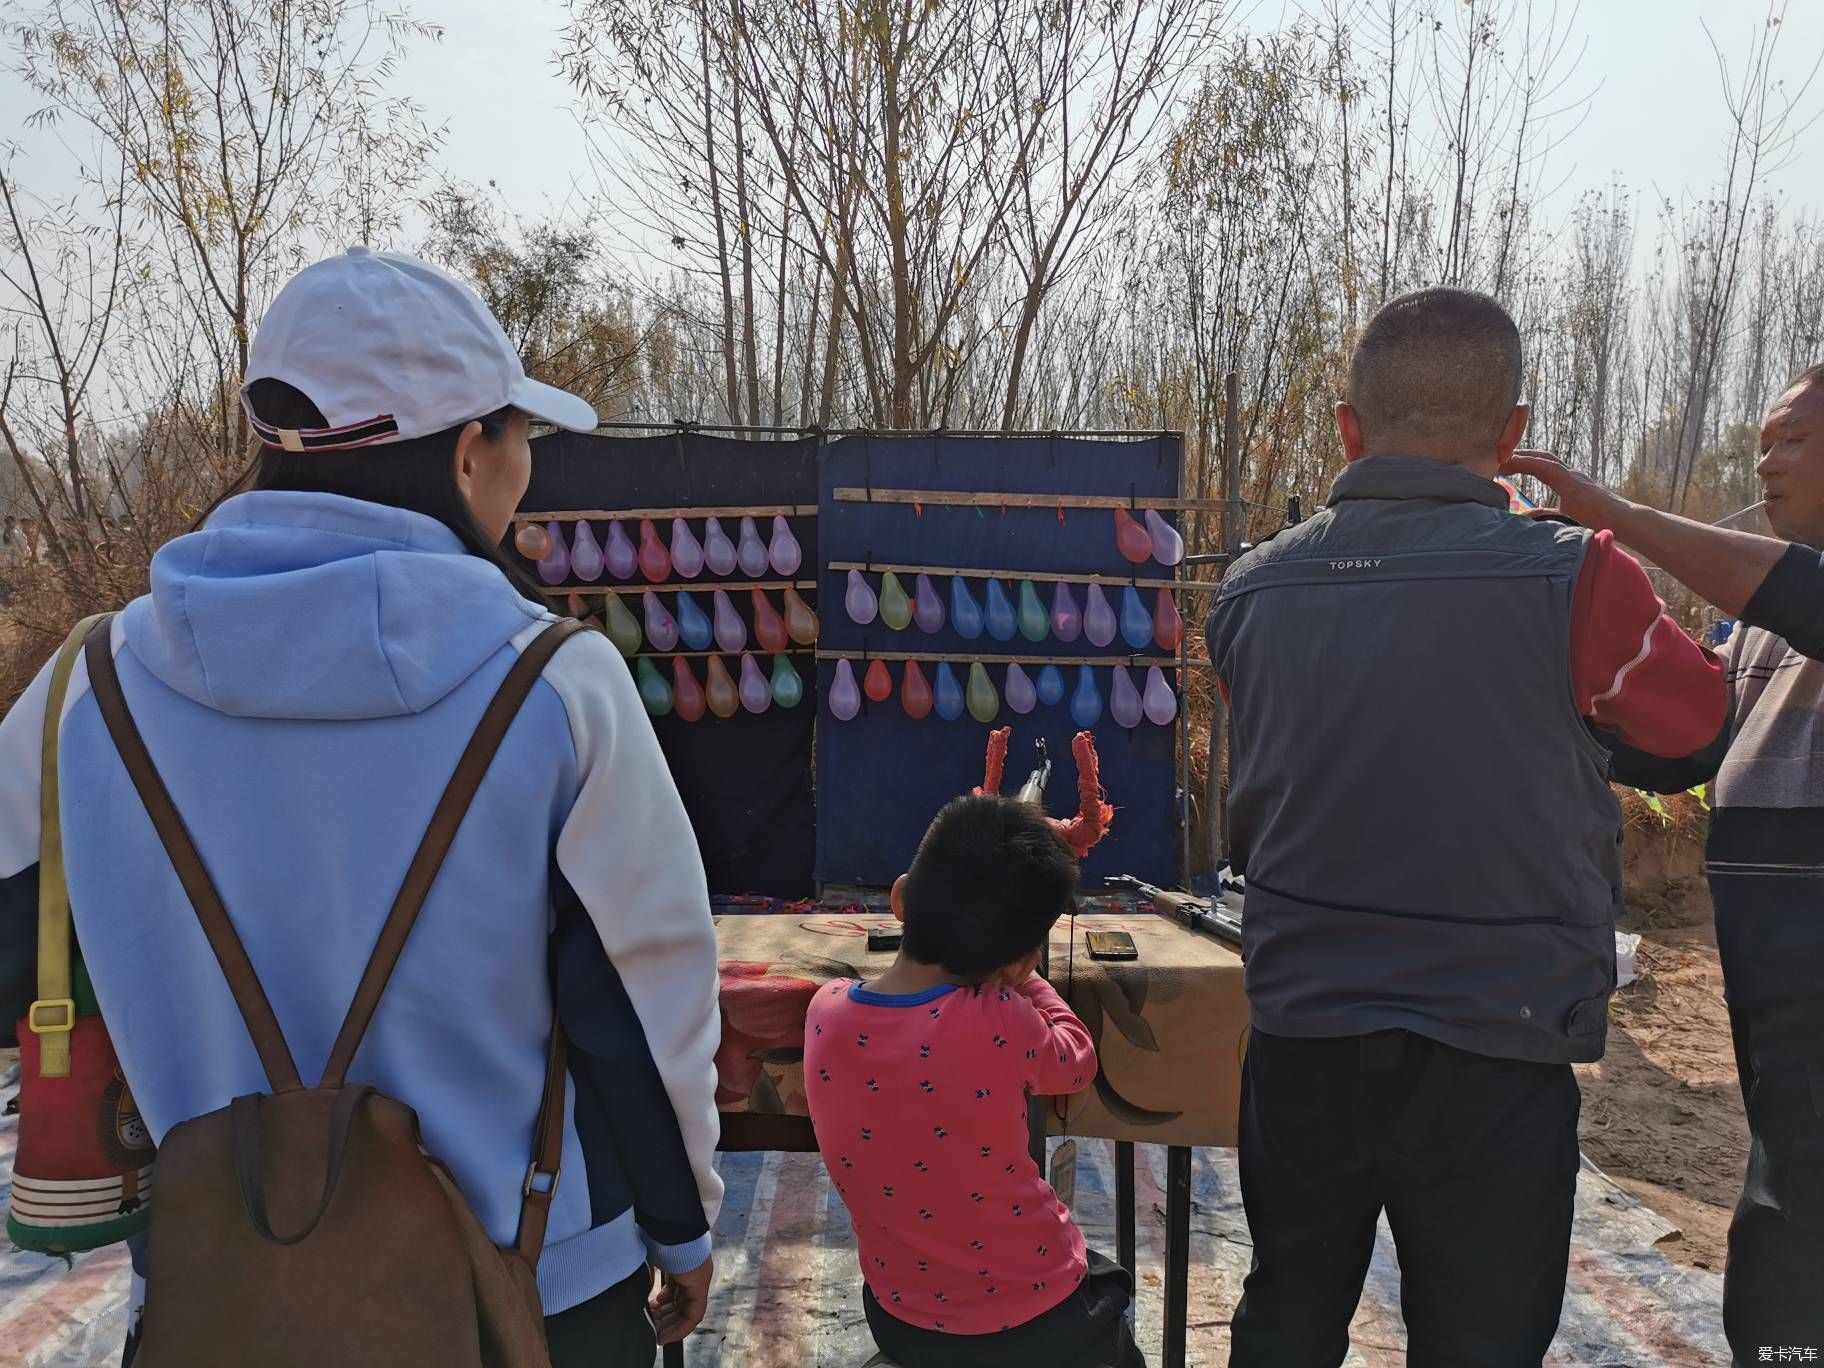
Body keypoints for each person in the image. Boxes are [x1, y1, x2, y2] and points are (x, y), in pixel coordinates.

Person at [0, 247, 721, 1366]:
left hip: (222, 1291)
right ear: (471, 453)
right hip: (528, 1290)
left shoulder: (82, 693)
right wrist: (681, 1232)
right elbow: (640, 1006)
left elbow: (13, 959)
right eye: (520, 434)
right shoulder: (554, 688)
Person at [1205, 287, 1730, 1368]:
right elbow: (1697, 728)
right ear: (1513, 436)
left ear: (1348, 429)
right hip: (1498, 1043)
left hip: (1306, 1034)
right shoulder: (1580, 580)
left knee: (1287, 1317)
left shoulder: (1250, 592)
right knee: (1481, 1341)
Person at [1504, 363, 1824, 1362]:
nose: (1768, 459)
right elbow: (1687, 744)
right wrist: (1562, 701)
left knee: (1792, 1226)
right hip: (1775, 988)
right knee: (1783, 1206)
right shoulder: (1766, 636)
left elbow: (1801, 593)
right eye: (1766, 439)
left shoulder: (1796, 596)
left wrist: (1605, 518)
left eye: (1797, 440)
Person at [803, 793, 1144, 1368]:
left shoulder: (825, 1012)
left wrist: (1011, 967)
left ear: (901, 898)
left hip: (900, 1318)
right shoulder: (1001, 1017)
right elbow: (1076, 1059)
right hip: (1036, 1318)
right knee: (1109, 1293)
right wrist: (1028, 983)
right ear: (1017, 959)